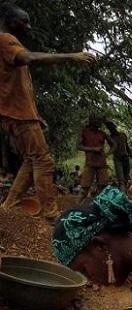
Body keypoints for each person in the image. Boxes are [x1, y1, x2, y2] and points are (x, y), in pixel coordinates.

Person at [0, 3, 95, 219]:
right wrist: (71, 56)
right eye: (24, 22)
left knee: (31, 159)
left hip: (21, 113)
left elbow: (16, 86)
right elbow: (30, 58)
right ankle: (51, 214)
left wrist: (36, 115)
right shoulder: (5, 40)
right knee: (43, 160)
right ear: (8, 20)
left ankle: (8, 206)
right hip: (18, 114)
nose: (29, 26)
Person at [77, 115, 116, 202]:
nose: (100, 123)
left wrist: (107, 154)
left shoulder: (102, 133)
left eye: (101, 121)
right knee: (85, 187)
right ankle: (77, 205)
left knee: (103, 187)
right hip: (90, 162)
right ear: (92, 121)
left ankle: (101, 205)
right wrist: (93, 149)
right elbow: (78, 146)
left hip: (101, 163)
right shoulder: (84, 132)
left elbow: (114, 144)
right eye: (98, 120)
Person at [105, 121, 132, 191]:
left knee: (126, 179)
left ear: (115, 126)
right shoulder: (110, 138)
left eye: (112, 127)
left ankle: (124, 194)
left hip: (126, 158)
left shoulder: (123, 135)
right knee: (121, 180)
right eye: (109, 128)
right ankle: (122, 194)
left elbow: (127, 146)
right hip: (118, 159)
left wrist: (131, 155)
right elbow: (113, 148)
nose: (111, 129)